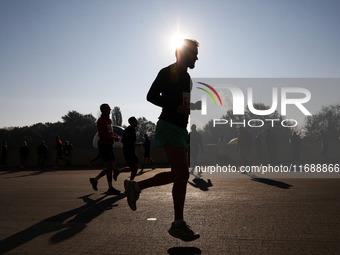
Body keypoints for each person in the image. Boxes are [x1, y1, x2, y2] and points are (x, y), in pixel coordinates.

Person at [124, 39, 201, 242]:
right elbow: (151, 96)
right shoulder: (166, 71)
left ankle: (136, 187)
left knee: (177, 174)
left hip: (180, 129)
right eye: (194, 53)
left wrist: (193, 106)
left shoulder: (187, 77)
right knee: (183, 174)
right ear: (183, 53)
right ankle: (178, 225)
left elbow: (181, 102)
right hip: (168, 126)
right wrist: (175, 108)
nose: (197, 57)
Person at [89, 103, 120, 195]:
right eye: (108, 108)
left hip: (109, 145)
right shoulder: (100, 120)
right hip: (104, 145)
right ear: (103, 110)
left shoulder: (109, 120)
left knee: (112, 166)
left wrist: (115, 136)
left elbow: (111, 132)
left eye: (110, 108)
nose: (110, 110)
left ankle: (94, 180)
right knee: (110, 166)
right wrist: (113, 138)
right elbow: (101, 134)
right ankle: (110, 187)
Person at [113, 116, 141, 181]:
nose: (136, 122)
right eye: (135, 121)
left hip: (132, 151)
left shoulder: (133, 130)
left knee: (136, 166)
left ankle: (131, 181)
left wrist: (135, 144)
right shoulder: (129, 130)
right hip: (128, 151)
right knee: (133, 167)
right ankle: (118, 171)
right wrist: (135, 144)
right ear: (131, 122)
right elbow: (125, 141)